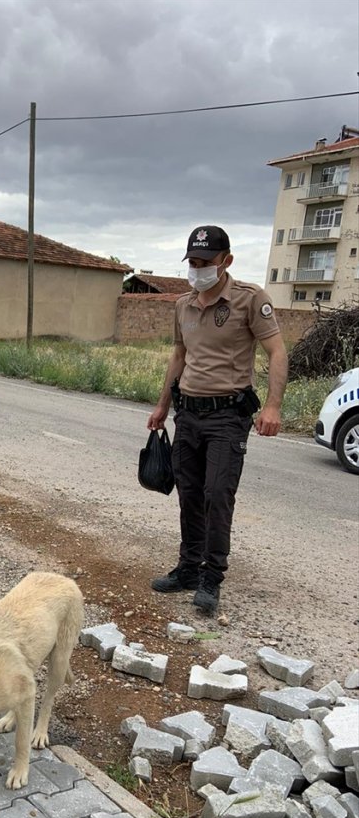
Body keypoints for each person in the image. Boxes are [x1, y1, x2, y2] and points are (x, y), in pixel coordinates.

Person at [147, 225, 288, 615]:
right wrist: (162, 406)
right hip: (187, 413)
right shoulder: (183, 305)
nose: (197, 269)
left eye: (205, 263)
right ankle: (189, 568)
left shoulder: (249, 300)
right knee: (189, 495)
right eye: (192, 262)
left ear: (226, 261)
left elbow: (277, 351)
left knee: (216, 497)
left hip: (227, 416)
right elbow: (179, 357)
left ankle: (212, 577)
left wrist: (273, 406)